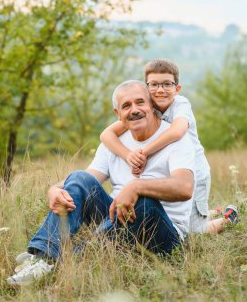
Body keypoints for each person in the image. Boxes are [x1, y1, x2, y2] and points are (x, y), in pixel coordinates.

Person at [7, 80, 195, 286]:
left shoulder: (175, 138)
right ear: (118, 114)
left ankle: (58, 263)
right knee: (78, 177)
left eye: (140, 102)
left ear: (151, 105)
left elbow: (184, 188)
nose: (134, 110)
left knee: (143, 202)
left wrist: (135, 186)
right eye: (126, 106)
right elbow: (86, 180)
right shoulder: (113, 143)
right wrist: (53, 189)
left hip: (163, 233)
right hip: (119, 218)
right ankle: (43, 255)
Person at [100, 59, 238, 234]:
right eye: (154, 85)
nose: (160, 90)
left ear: (177, 88)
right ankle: (210, 212)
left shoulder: (180, 105)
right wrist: (129, 156)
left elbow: (177, 132)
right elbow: (106, 134)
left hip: (195, 173)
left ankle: (228, 219)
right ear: (146, 88)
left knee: (194, 231)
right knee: (170, 217)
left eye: (167, 84)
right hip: (172, 171)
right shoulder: (148, 107)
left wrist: (144, 153)